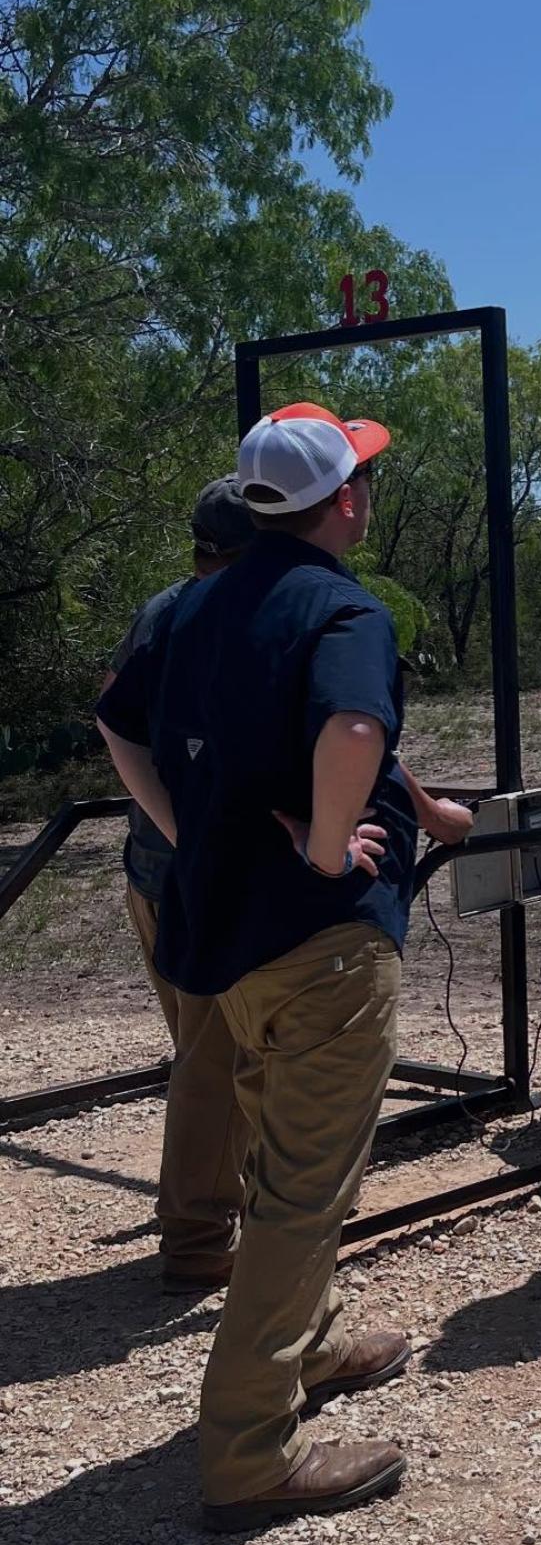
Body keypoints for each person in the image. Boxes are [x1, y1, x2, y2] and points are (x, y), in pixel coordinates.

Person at [97, 402, 466, 1529]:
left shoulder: (192, 604)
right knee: (305, 1192)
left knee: (279, 1160)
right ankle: (250, 1450)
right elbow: (355, 730)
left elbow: (118, 726)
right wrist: (319, 845)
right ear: (342, 500)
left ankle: (303, 1344)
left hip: (227, 939)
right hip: (322, 948)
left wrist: (188, 829)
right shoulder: (343, 607)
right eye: (362, 478)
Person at [103, 477, 255, 1294]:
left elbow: (113, 718)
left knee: (208, 1055)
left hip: (152, 873)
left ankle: (229, 1215)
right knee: (215, 1065)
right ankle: (200, 1240)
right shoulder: (233, 614)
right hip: (199, 876)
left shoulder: (160, 611)